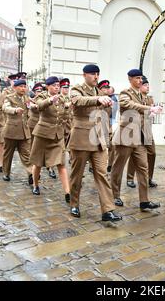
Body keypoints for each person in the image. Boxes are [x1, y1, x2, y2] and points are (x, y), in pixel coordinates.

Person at [68, 65, 122, 222]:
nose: (96, 76)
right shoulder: (76, 89)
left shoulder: (99, 91)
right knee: (77, 175)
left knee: (102, 174)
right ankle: (74, 203)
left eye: (97, 74)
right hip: (81, 138)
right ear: (84, 75)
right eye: (92, 74)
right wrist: (98, 99)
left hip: (98, 140)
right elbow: (77, 101)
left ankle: (108, 209)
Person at [111, 69, 162, 210]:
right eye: (137, 78)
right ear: (130, 79)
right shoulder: (125, 93)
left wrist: (149, 114)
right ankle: (114, 195)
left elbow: (141, 113)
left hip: (139, 137)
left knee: (143, 168)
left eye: (141, 78)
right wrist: (149, 109)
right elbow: (129, 105)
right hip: (125, 137)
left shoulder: (143, 96)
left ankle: (144, 201)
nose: (140, 80)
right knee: (118, 168)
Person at [29, 76, 71, 198]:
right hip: (43, 134)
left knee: (61, 164)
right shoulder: (42, 96)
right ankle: (35, 185)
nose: (57, 87)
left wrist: (68, 107)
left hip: (58, 135)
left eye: (58, 85)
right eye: (54, 85)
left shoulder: (62, 98)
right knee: (38, 162)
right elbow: (39, 106)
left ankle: (68, 192)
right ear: (47, 86)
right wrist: (50, 100)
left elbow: (64, 115)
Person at [126, 75, 157, 188]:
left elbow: (150, 113)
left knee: (152, 153)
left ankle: (149, 177)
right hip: (136, 129)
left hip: (147, 130)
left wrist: (153, 113)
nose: (147, 87)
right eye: (145, 85)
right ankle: (130, 178)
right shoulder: (136, 97)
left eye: (148, 85)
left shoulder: (150, 99)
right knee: (134, 154)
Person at [1, 79, 33, 184]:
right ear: (15, 87)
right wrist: (15, 110)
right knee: (8, 154)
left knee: (26, 154)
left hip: (24, 131)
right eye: (21, 86)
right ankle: (6, 172)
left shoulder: (26, 98)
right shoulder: (9, 98)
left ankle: (31, 174)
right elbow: (5, 107)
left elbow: (31, 107)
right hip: (11, 131)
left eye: (25, 86)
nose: (23, 88)